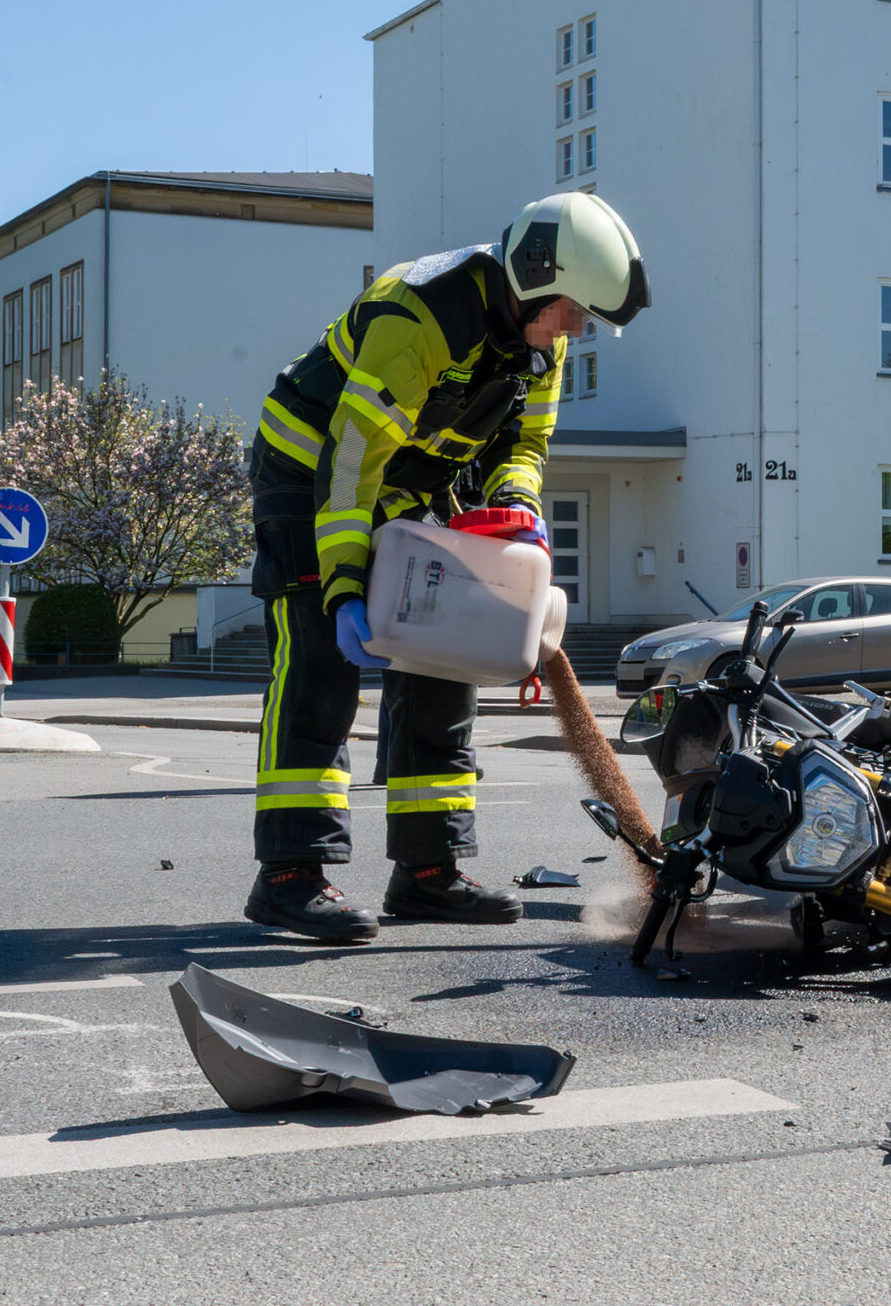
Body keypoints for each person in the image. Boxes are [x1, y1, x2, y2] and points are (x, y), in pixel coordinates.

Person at [243, 193, 649, 940]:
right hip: (310, 475)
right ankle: (290, 876)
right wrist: (340, 587)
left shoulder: (540, 343)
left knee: (444, 651)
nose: (578, 328)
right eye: (573, 309)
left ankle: (430, 871)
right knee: (316, 669)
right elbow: (350, 463)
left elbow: (522, 449)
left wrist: (517, 513)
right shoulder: (420, 316)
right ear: (534, 276)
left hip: (412, 485)